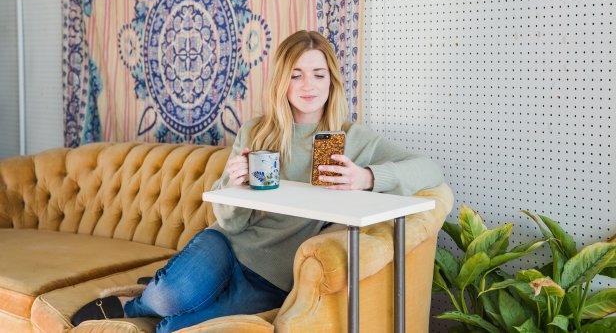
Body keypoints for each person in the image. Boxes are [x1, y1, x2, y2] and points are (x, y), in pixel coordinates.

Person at [71, 30, 444, 332]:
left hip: (273, 279)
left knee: (173, 329)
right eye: (295, 74)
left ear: (332, 80)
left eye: (318, 74)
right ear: (282, 81)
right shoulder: (258, 133)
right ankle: (135, 301)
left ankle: (164, 288)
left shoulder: (351, 139)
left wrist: (368, 176)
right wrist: (233, 187)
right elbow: (231, 222)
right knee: (171, 298)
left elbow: (429, 170)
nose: (308, 85)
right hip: (228, 245)